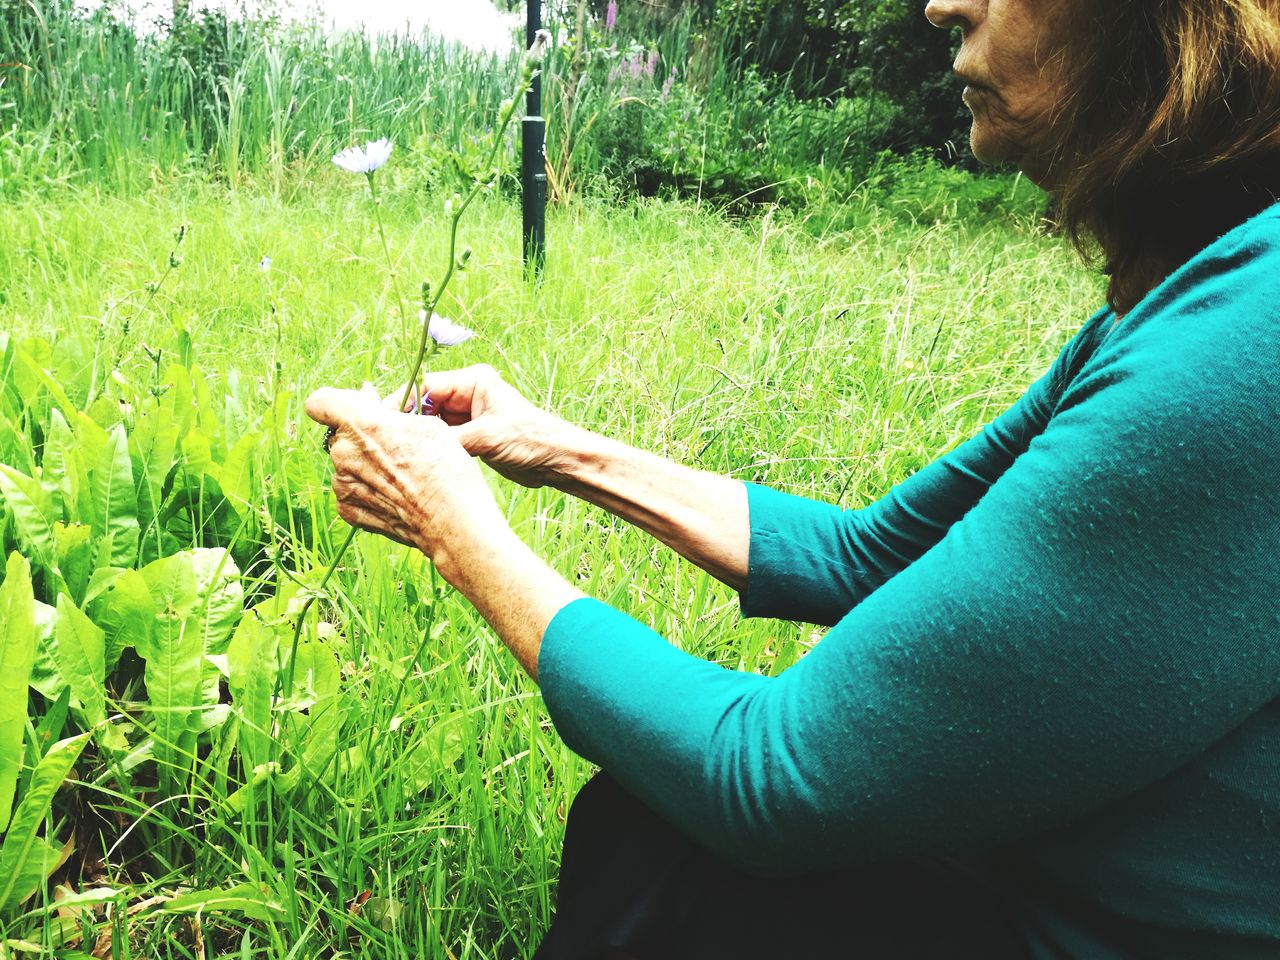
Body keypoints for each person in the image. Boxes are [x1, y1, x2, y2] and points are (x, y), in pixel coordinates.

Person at [305, 1, 1280, 956]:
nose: (942, 6)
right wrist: (552, 447)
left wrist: (451, 528)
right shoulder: (1181, 297)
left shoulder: (1241, 349)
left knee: (676, 858)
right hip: (1042, 879)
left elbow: (770, 774)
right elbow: (867, 556)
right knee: (648, 832)